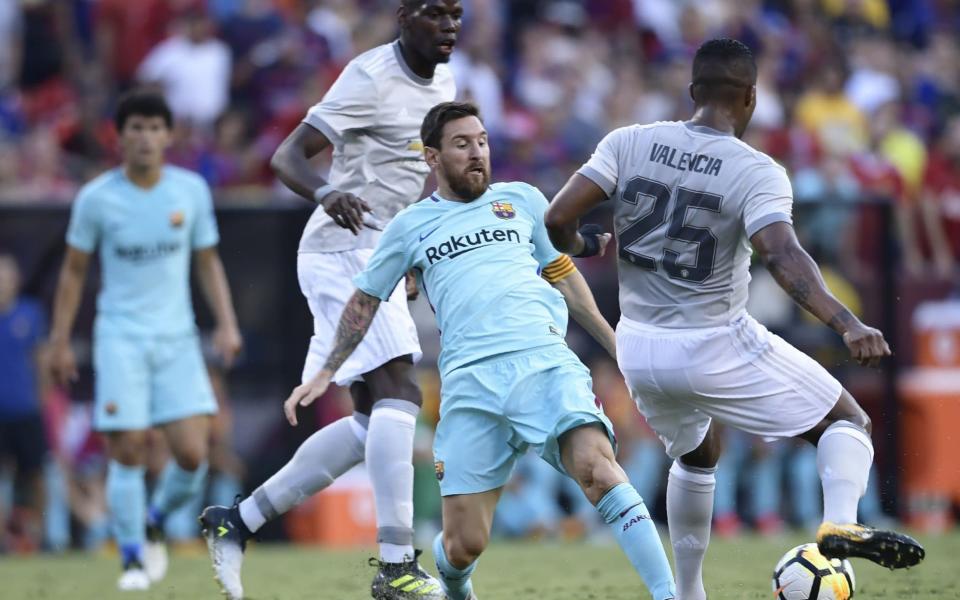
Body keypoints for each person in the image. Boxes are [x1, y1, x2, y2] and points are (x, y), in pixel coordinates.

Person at [544, 38, 925, 600]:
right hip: (713, 340)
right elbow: (782, 255)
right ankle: (840, 521)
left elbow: (556, 218)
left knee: (697, 453)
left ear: (693, 92)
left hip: (640, 347)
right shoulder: (756, 170)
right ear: (749, 97)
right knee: (848, 423)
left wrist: (584, 240)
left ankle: (689, 592)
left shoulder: (628, 141)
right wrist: (847, 322)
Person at [284, 101, 677, 600]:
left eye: (483, 141)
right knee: (465, 543)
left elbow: (566, 280)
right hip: (470, 386)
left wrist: (620, 349)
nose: (477, 153)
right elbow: (364, 299)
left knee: (599, 470)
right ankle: (455, 585)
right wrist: (326, 371)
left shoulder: (525, 200)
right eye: (462, 144)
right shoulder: (408, 226)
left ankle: (674, 595)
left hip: (544, 364)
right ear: (432, 158)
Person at [199, 2, 460, 599]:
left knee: (374, 419)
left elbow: (414, 177)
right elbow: (286, 157)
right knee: (401, 389)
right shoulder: (369, 76)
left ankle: (237, 521)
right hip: (338, 251)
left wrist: (412, 250)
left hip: (384, 255)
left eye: (457, 14)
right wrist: (326, 194)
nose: (449, 25)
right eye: (435, 13)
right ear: (403, 16)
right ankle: (397, 567)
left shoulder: (445, 81)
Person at [48, 90, 242, 591]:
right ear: (120, 135)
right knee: (129, 448)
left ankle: (155, 519)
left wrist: (226, 322)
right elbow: (73, 272)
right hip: (120, 337)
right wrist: (59, 339)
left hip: (177, 337)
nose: (146, 137)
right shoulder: (96, 198)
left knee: (194, 454)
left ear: (168, 135)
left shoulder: (191, 191)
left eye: (155, 128)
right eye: (136, 127)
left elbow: (208, 261)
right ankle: (132, 558)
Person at [0, 253, 48, 553]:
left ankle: (42, 535)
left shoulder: (31, 314)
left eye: (5, 278)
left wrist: (41, 399)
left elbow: (40, 360)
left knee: (37, 474)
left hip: (26, 410)